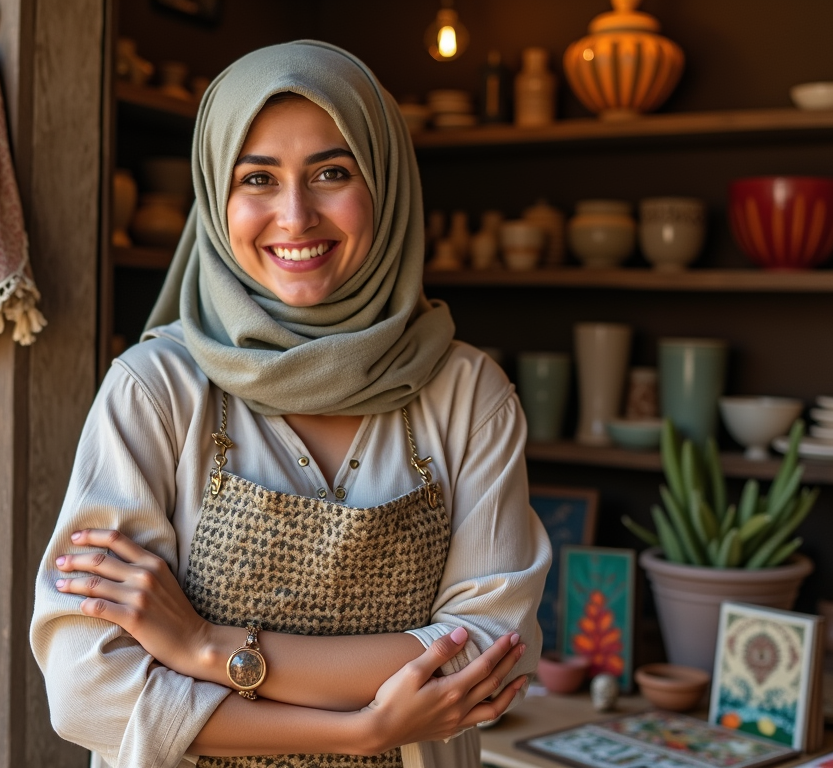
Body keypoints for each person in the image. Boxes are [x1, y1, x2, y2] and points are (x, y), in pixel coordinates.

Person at [30, 40, 550, 768]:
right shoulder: (156, 391)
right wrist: (360, 732)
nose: (295, 215)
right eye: (258, 178)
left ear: (388, 184)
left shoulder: (467, 395)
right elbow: (88, 689)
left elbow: (492, 655)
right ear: (217, 197)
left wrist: (204, 648)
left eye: (332, 173)